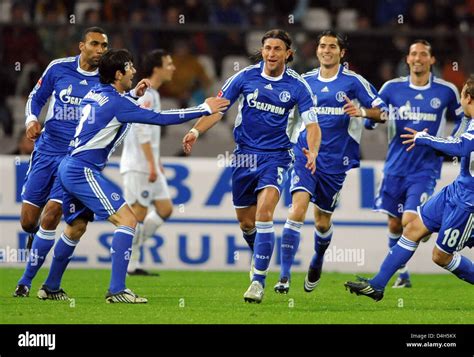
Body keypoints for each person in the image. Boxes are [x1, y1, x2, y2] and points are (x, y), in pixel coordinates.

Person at [36, 49, 229, 303]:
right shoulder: (118, 102)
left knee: (75, 227)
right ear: (118, 74)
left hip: (69, 166)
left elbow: (112, 110)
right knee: (128, 220)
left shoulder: (97, 94)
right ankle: (117, 290)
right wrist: (203, 108)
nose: (134, 71)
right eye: (129, 68)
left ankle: (50, 287)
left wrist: (132, 95)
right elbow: (160, 118)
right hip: (81, 170)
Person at [182, 29, 321, 303]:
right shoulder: (245, 77)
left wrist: (313, 151)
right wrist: (196, 132)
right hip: (245, 156)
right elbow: (218, 109)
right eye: (267, 48)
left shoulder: (297, 86)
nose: (271, 54)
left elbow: (313, 124)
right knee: (246, 222)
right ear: (263, 50)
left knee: (265, 213)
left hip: (277, 156)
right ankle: (260, 255)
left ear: (287, 54)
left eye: (277, 49)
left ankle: (257, 281)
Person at [273, 31, 387, 294]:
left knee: (322, 221)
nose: (326, 50)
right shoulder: (304, 81)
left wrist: (361, 111)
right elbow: (288, 115)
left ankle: (318, 258)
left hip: (336, 161)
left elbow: (384, 113)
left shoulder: (354, 82)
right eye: (322, 46)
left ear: (341, 53)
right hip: (305, 154)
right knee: (297, 209)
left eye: (332, 46)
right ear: (317, 51)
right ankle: (284, 276)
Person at [345, 77, 474, 301]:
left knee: (441, 256)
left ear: (467, 98)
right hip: (456, 189)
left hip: (468, 201)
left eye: (461, 95)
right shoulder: (470, 120)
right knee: (412, 228)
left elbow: (462, 147)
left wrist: (425, 138)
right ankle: (377, 285)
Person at [13, 27, 109, 298]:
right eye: (95, 44)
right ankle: (37, 245)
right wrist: (32, 120)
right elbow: (36, 97)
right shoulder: (59, 68)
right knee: (28, 221)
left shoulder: (105, 80)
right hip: (46, 150)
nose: (101, 49)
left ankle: (26, 282)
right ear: (81, 46)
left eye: (104, 45)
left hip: (74, 158)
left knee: (53, 214)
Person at [369, 39, 466, 288]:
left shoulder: (446, 91)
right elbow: (376, 115)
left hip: (425, 169)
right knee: (394, 222)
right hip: (394, 167)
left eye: (424, 54)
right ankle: (401, 276)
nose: (418, 58)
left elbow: (463, 117)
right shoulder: (392, 88)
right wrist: (365, 117)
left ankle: (425, 228)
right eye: (414, 54)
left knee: (408, 222)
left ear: (432, 60)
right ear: (407, 59)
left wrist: (453, 142)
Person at [120, 49, 176, 276]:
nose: (172, 67)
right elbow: (142, 130)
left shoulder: (156, 95)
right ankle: (130, 263)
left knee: (165, 208)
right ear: (157, 68)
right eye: (169, 63)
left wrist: (157, 162)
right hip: (139, 164)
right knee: (137, 213)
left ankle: (131, 250)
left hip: (150, 163)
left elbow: (150, 135)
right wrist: (152, 165)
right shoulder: (146, 94)